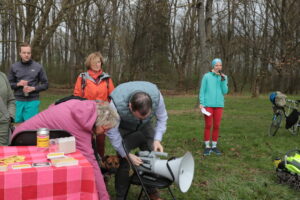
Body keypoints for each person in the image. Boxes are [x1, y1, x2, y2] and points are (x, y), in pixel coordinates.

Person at [11, 100, 120, 200]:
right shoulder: (80, 130)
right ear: (99, 121)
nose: (104, 133)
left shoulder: (78, 105)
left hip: (20, 135)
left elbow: (52, 106)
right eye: (105, 129)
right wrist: (104, 196)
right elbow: (92, 165)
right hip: (24, 142)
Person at [106, 81, 168, 200]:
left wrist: (157, 139)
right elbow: (112, 132)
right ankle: (121, 196)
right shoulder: (115, 105)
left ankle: (151, 192)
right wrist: (126, 155)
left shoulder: (157, 97)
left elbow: (162, 118)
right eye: (139, 116)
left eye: (146, 115)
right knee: (123, 163)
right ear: (130, 106)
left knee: (151, 157)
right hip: (123, 127)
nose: (141, 118)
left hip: (145, 127)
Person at [73, 52, 115, 159]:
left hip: (102, 113)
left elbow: (113, 96)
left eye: (99, 62)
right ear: (89, 64)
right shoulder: (82, 77)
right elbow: (77, 96)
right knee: (87, 139)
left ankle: (100, 164)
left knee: (100, 141)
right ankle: (87, 161)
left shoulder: (107, 78)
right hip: (87, 112)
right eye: (94, 62)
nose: (97, 64)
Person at [8, 42, 48, 123]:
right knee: (15, 126)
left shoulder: (38, 67)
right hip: (17, 101)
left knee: (29, 128)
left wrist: (33, 88)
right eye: (24, 53)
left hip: (32, 101)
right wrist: (18, 84)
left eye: (28, 53)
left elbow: (46, 84)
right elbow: (9, 85)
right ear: (20, 53)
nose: (26, 55)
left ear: (31, 54)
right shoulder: (14, 67)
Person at [199, 58, 228, 156]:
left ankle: (214, 146)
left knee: (217, 126)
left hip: (219, 105)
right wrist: (202, 102)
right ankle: (207, 146)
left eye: (220, 65)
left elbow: (225, 91)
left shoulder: (224, 77)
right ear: (213, 66)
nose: (218, 67)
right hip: (208, 105)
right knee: (208, 125)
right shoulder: (206, 76)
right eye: (216, 65)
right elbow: (202, 90)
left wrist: (223, 80)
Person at [0, 71, 15, 145]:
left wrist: (10, 116)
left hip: (3, 126)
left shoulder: (3, 76)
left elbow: (11, 100)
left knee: (4, 155)